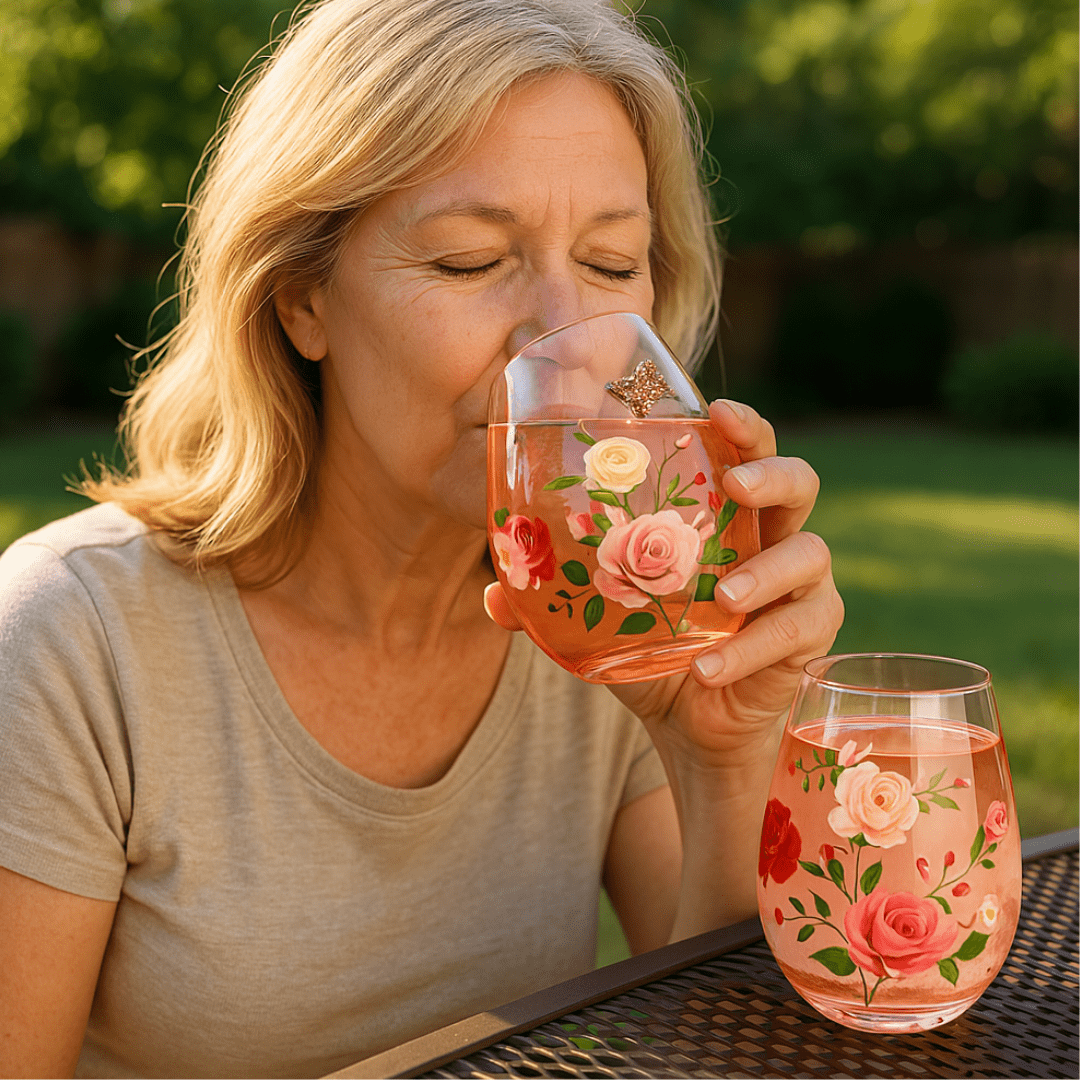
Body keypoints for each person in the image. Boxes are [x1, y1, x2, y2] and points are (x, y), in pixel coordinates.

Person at [0, 0, 843, 1076]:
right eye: (465, 261)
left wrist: (723, 761)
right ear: (301, 299)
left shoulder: (615, 612)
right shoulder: (73, 642)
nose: (561, 330)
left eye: (611, 261)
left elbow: (737, 1055)